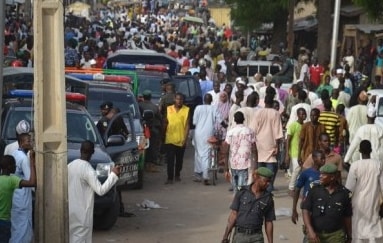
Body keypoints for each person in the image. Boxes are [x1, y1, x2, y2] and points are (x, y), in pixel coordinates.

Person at [68, 140, 121, 243]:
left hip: (71, 211)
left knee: (72, 237)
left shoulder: (70, 166)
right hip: (83, 214)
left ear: (80, 150)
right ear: (92, 152)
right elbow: (100, 190)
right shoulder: (88, 170)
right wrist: (113, 175)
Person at [221, 167, 275, 243]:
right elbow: (233, 215)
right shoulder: (242, 193)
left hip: (257, 237)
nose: (268, 184)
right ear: (256, 177)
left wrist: (270, 242)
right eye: (265, 181)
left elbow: (269, 222)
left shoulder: (268, 198)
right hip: (240, 236)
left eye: (269, 181)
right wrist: (225, 236)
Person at [302, 163, 352, 243]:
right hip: (315, 235)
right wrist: (310, 230)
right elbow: (305, 210)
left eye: (323, 175)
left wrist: (349, 236)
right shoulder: (315, 190)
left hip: (336, 236)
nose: (320, 177)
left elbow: (347, 217)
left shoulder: (344, 194)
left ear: (332, 177)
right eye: (320, 174)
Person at [345, 140, 383, 243]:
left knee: (358, 231)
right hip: (373, 201)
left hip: (358, 202)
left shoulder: (355, 165)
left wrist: (345, 204)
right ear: (371, 150)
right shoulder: (378, 165)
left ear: (360, 151)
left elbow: (349, 187)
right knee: (372, 229)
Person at [251, 93, 283, 192]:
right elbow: (278, 132)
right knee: (270, 172)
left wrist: (254, 144)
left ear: (264, 102)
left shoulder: (258, 113)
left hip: (259, 144)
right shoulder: (275, 113)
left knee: (260, 170)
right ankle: (268, 191)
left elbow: (253, 130)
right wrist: (277, 146)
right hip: (271, 144)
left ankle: (260, 190)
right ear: (272, 102)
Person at [0, 154, 36, 242]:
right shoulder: (12, 180)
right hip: (4, 221)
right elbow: (32, 183)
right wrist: (32, 163)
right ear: (9, 167)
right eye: (14, 165)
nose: (15, 167)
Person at [292, 150, 325, 241]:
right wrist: (294, 209)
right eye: (321, 158)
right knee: (309, 230)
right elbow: (297, 189)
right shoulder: (306, 173)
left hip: (322, 207)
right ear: (314, 159)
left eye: (324, 158)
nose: (323, 160)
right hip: (308, 207)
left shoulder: (325, 174)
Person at [10, 133, 35, 243]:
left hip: (15, 197)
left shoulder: (14, 154)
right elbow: (31, 180)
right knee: (23, 230)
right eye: (28, 141)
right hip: (23, 199)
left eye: (31, 141)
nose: (30, 143)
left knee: (16, 228)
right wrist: (32, 162)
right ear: (21, 143)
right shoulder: (24, 159)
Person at [192, 93, 222, 185]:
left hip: (198, 133)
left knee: (198, 153)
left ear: (204, 100)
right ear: (211, 100)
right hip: (209, 133)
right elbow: (220, 120)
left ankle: (198, 173)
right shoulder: (214, 108)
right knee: (206, 154)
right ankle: (205, 175)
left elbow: (194, 122)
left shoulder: (198, 108)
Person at [224, 111, 257, 193]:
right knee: (242, 188)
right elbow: (254, 149)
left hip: (233, 164)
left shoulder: (230, 132)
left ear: (234, 120)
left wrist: (226, 168)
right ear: (244, 119)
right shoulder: (250, 131)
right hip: (245, 164)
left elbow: (226, 151)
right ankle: (239, 203)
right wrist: (256, 165)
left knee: (236, 189)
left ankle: (237, 203)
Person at [163, 93, 190, 184]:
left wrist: (185, 139)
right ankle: (169, 178)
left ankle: (177, 174)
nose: (179, 101)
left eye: (181, 99)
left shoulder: (186, 110)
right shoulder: (168, 109)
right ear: (174, 99)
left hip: (181, 139)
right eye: (178, 99)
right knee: (170, 160)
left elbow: (187, 126)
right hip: (170, 138)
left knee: (179, 160)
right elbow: (165, 122)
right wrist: (162, 135)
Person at [139, 90, 163, 169]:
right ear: (150, 97)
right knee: (153, 146)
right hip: (152, 129)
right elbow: (160, 118)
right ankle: (152, 162)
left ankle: (147, 162)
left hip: (142, 130)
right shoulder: (154, 107)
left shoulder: (139, 105)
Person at [285, 108, 306, 182]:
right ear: (298, 115)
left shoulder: (305, 126)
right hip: (294, 152)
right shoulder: (293, 125)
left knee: (301, 171)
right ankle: (292, 186)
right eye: (302, 114)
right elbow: (288, 140)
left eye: (304, 114)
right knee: (296, 170)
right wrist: (287, 154)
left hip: (303, 152)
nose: (304, 115)